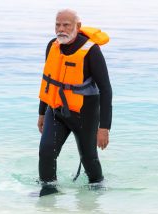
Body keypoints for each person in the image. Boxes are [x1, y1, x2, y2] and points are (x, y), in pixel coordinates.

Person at [37, 9, 112, 195]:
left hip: (85, 113)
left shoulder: (91, 51)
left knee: (89, 159)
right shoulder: (51, 46)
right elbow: (48, 81)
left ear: (77, 27)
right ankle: (48, 193)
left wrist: (104, 127)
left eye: (66, 25)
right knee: (46, 151)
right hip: (57, 110)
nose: (60, 29)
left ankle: (96, 193)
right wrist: (41, 112)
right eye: (57, 24)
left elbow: (106, 89)